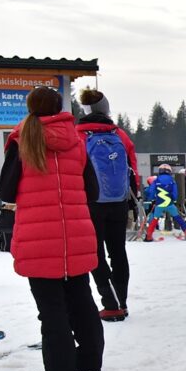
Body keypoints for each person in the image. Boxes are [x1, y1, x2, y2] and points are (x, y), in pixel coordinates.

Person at [0, 86, 104, 371]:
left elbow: (5, 190)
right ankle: (89, 363)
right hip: (77, 233)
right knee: (82, 300)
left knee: (51, 308)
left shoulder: (22, 140)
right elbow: (92, 191)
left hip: (38, 237)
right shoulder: (77, 141)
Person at [75, 88, 139, 322]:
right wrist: (132, 198)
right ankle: (121, 300)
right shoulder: (120, 135)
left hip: (90, 203)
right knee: (118, 251)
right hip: (119, 201)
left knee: (96, 253)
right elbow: (132, 169)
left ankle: (110, 303)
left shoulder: (78, 135)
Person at [144, 164, 186, 241]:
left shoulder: (156, 180)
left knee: (155, 219)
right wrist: (174, 199)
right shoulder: (172, 180)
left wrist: (152, 198)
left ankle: (149, 236)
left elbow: (151, 191)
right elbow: (175, 192)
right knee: (178, 218)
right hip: (169, 203)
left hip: (159, 204)